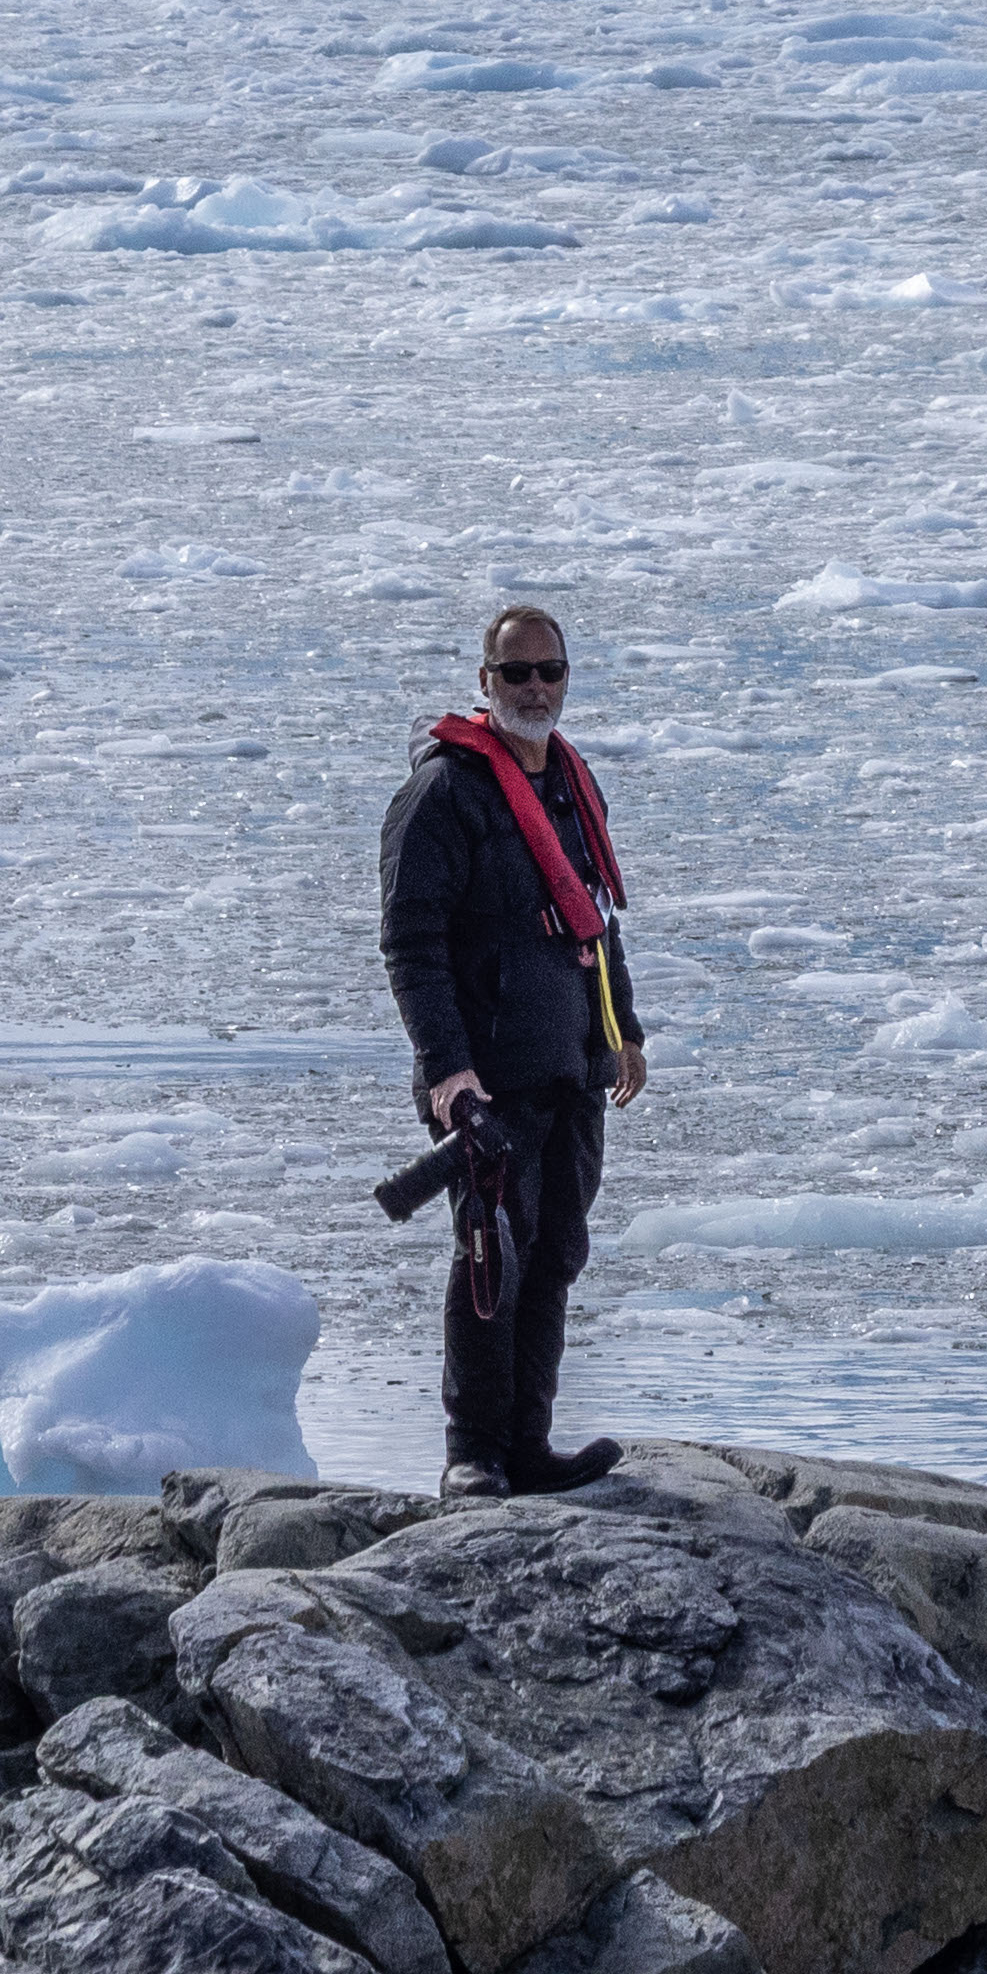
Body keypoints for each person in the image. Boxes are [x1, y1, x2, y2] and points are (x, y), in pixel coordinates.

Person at [379, 597, 644, 1496]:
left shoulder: (570, 780)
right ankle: (473, 1454)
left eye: (550, 670)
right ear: (483, 683)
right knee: (491, 1257)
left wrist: (624, 1032)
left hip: (570, 1066)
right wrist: (449, 1073)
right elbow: (410, 944)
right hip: (485, 1080)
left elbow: (595, 921)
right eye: (516, 672)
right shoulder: (443, 793)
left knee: (556, 1252)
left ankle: (528, 1445)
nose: (536, 687)